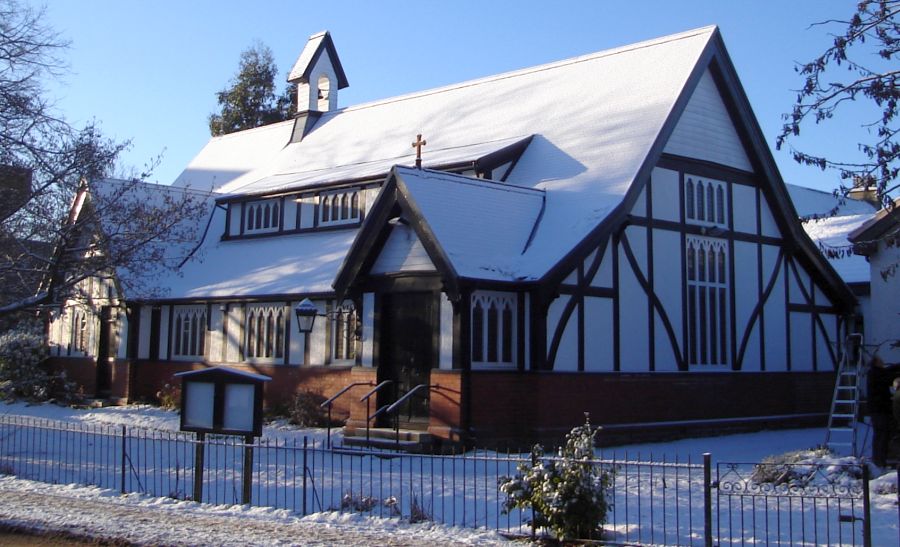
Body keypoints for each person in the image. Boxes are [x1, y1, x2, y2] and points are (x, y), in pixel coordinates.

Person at [868, 356, 893, 467]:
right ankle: (880, 461)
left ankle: (877, 460)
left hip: (876, 410)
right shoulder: (878, 374)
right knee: (882, 435)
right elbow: (887, 378)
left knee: (878, 435)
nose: (883, 362)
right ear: (877, 362)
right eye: (881, 361)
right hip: (881, 410)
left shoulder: (873, 373)